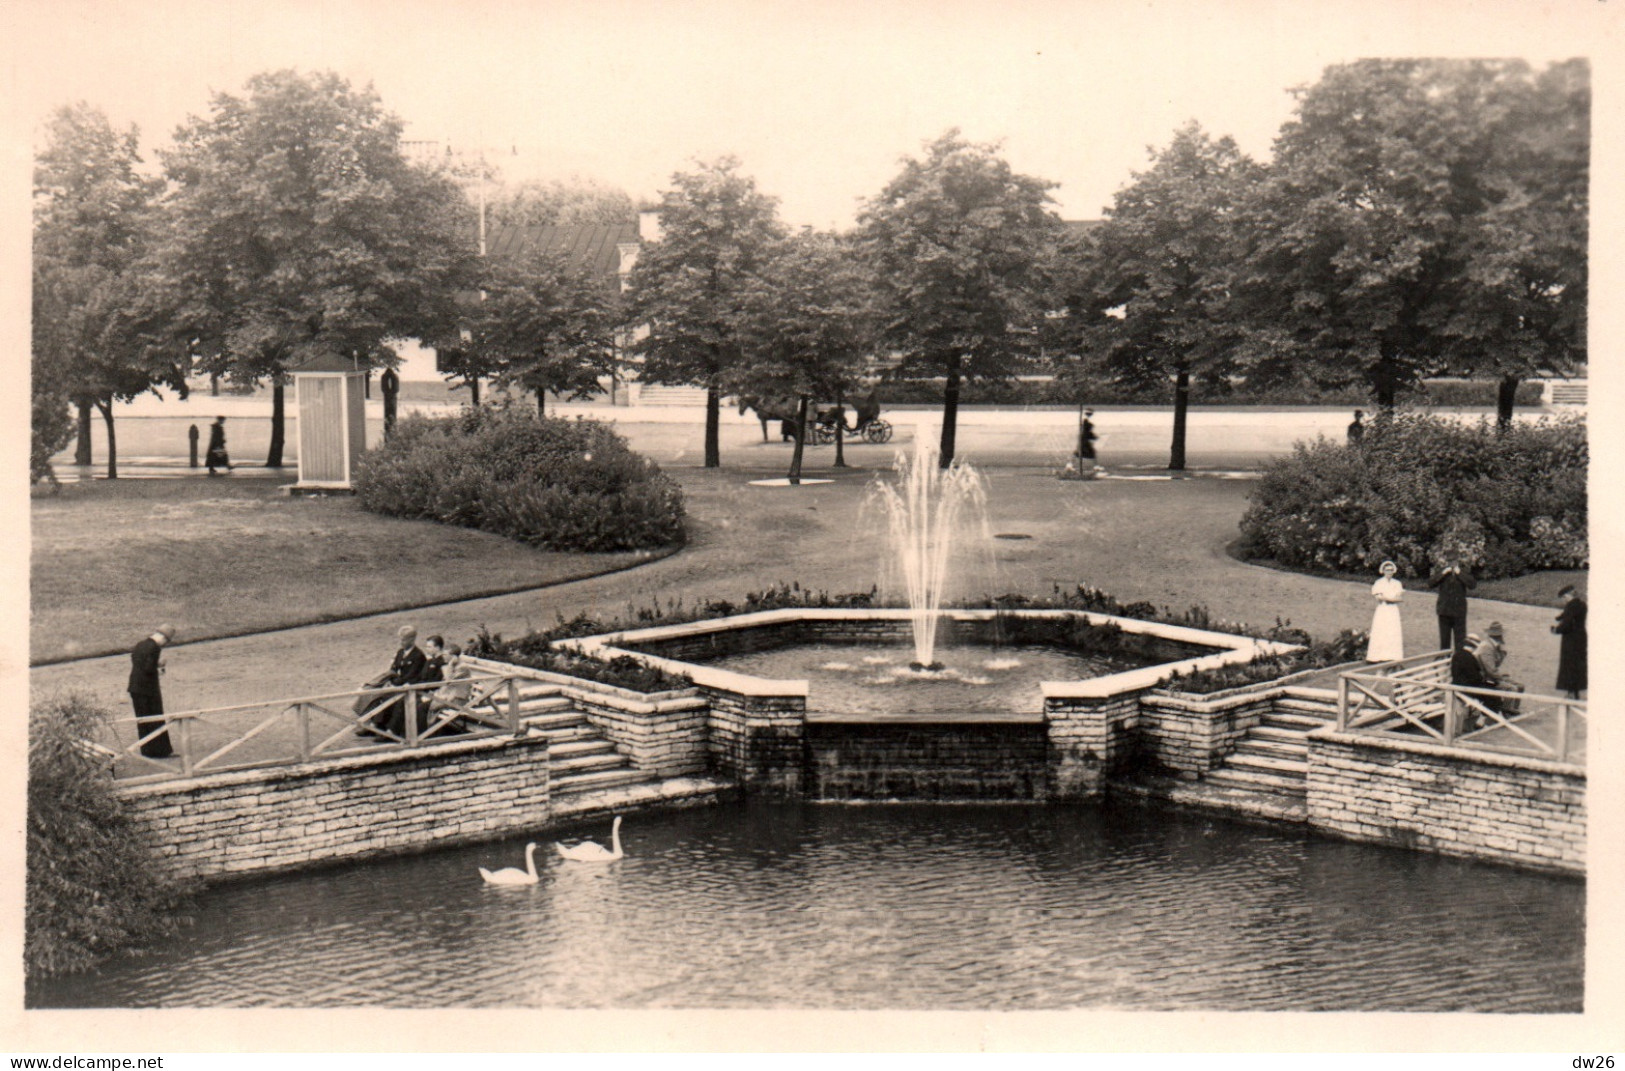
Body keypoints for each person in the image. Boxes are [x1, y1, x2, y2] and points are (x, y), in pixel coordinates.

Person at [356, 625, 428, 737]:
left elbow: (411, 676)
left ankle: (380, 728)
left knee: (383, 696)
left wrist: (394, 683)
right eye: (400, 639)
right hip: (396, 684)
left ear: (412, 639)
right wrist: (390, 681)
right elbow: (393, 669)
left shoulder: (418, 656)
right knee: (373, 694)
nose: (401, 642)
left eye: (403, 639)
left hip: (407, 687)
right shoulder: (400, 652)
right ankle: (372, 724)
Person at [129, 625, 177, 758]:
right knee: (156, 717)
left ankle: (147, 750)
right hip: (148, 689)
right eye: (166, 641)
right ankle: (161, 751)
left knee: (143, 719)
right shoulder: (155, 647)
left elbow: (138, 662)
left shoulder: (140, 644)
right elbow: (149, 668)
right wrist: (159, 665)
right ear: (163, 638)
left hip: (135, 687)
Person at [1473, 621, 1523, 715]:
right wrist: (1502, 678)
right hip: (1485, 679)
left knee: (1520, 686)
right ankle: (1505, 712)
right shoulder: (1486, 647)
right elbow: (1491, 670)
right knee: (1512, 688)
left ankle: (1512, 709)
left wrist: (1502, 653)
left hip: (1490, 677)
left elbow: (1494, 667)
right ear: (1498, 636)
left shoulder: (1493, 645)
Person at [1428, 562, 1477, 652]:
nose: (1452, 563)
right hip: (1444, 611)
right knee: (1444, 641)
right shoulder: (1441, 570)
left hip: (1459, 612)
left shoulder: (1464, 570)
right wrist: (1443, 573)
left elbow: (1472, 585)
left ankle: (1458, 662)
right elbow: (1431, 583)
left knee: (1460, 641)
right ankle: (1444, 660)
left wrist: (1459, 573)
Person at [1552, 585, 1587, 700]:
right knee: (1578, 665)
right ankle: (1576, 691)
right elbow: (1571, 616)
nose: (1564, 600)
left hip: (1571, 639)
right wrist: (1560, 617)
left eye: (1563, 597)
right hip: (1581, 638)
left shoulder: (1570, 606)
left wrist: (1556, 630)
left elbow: (1567, 624)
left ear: (1567, 595)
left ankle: (1570, 693)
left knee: (1569, 664)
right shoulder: (1582, 605)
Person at [1365, 560, 1404, 662]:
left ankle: (1392, 656)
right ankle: (1377, 656)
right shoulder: (1379, 583)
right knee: (1381, 630)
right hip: (1383, 609)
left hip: (1393, 610)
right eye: (1387, 570)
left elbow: (1399, 598)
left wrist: (1387, 597)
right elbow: (1379, 598)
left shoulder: (1397, 583)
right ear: (1383, 571)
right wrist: (1389, 598)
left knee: (1392, 631)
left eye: (1391, 570)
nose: (1389, 572)